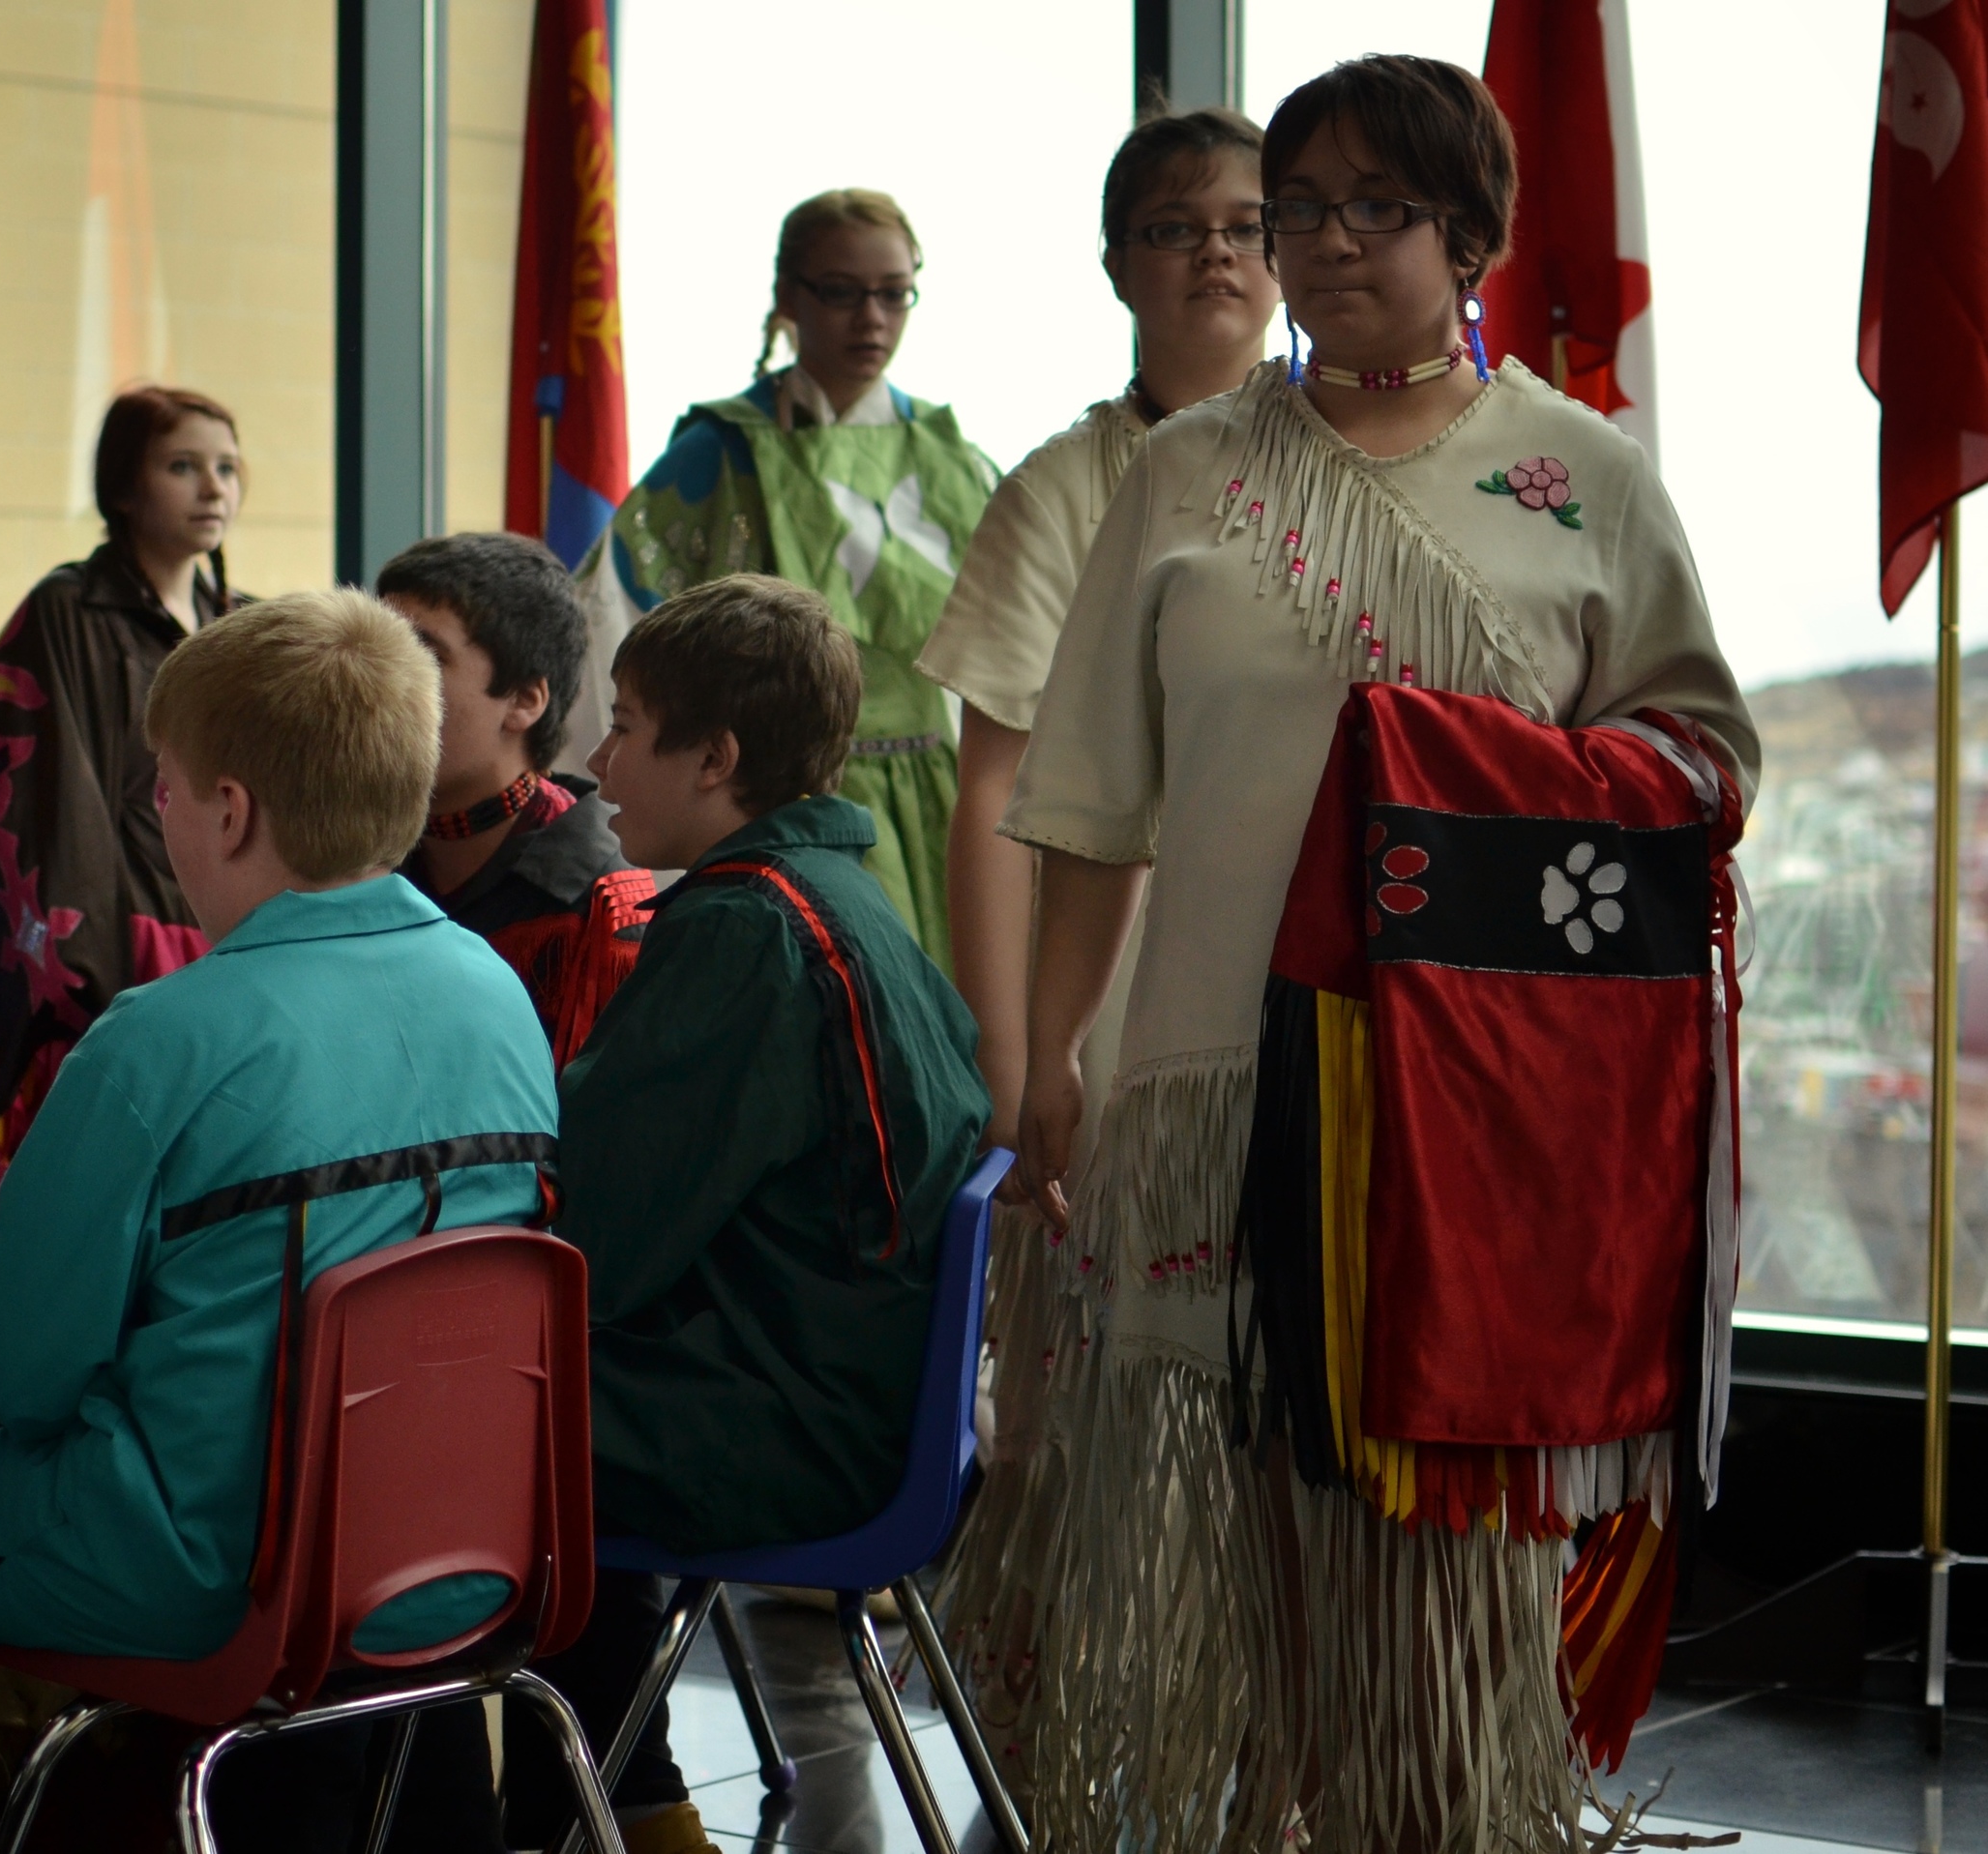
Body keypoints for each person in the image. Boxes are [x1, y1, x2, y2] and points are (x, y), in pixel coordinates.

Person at [1002, 57, 1760, 1852]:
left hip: (1479, 1112)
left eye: (1374, 210)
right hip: (1212, 1086)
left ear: (1469, 234)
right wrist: (1047, 1066)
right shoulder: (1189, 473)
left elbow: (1702, 761)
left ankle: (1430, 1814)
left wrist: (1482, 770)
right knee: (1263, 1524)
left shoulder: (1581, 476)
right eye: (1299, 212)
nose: (1325, 246)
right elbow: (1096, 812)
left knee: (1441, 1566)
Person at [0, 590, 559, 1854]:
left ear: (231, 809)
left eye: (161, 783)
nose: (152, 808)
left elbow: (9, 1376)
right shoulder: (497, 991)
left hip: (218, 1566)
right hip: (453, 1547)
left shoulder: (160, 1036)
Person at [908, 103, 1280, 1783]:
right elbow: (1002, 785)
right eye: (1179, 223)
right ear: (1120, 261)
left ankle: (1263, 1747)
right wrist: (1014, 1054)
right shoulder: (1065, 487)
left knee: (1279, 1394)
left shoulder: (1339, 464)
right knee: (1076, 1395)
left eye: (1252, 222)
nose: (1220, 249)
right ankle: (1057, 1745)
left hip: (1296, 995)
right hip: (1104, 1001)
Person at [508, 574, 988, 1854]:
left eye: (624, 724)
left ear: (714, 758)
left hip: (793, 1427)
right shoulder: (849, 898)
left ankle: (536, 1813)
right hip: (861, 1400)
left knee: (445, 1424)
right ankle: (612, 1801)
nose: (597, 764)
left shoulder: (743, 932)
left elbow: (595, 1247)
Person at [571, 191, 996, 970]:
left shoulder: (956, 461)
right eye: (842, 291)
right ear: (788, 295)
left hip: (950, 798)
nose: (871, 318)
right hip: (769, 806)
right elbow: (608, 618)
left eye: (893, 293)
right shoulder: (723, 451)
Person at [0, 386, 248, 1253]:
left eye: (228, 467)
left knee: (208, 1213)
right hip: (116, 941)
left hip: (227, 936)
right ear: (123, 488)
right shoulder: (66, 610)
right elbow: (45, 791)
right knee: (96, 1220)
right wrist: (92, 962)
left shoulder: (245, 626)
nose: (213, 488)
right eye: (182, 465)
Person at [380, 532, 656, 1064]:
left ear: (524, 701)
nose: (379, 682)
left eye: (422, 655)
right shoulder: (353, 857)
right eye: (378, 649)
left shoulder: (603, 905)